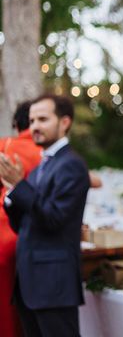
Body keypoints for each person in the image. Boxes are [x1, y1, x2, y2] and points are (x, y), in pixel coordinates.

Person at [0, 94, 91, 337]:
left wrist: (19, 186)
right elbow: (23, 225)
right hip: (30, 284)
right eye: (32, 121)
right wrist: (12, 193)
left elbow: (54, 219)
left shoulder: (71, 165)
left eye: (43, 119)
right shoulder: (43, 165)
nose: (35, 127)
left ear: (64, 122)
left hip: (53, 283)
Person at [0, 101, 42, 337]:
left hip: (4, 236)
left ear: (17, 124)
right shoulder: (48, 153)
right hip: (37, 238)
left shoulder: (6, 147)